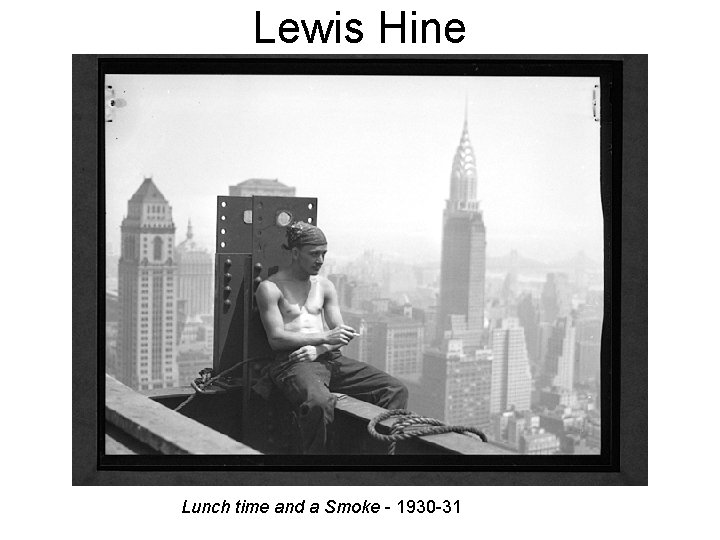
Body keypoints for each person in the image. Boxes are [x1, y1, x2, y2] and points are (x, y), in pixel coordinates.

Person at [255, 221, 408, 454]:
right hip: (293, 363)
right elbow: (276, 339)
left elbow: (341, 333)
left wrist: (320, 348)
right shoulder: (270, 288)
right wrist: (323, 338)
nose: (320, 260)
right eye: (314, 254)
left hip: (328, 357)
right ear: (295, 253)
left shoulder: (325, 286)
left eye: (324, 254)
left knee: (394, 390)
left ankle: (379, 460)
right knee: (318, 403)